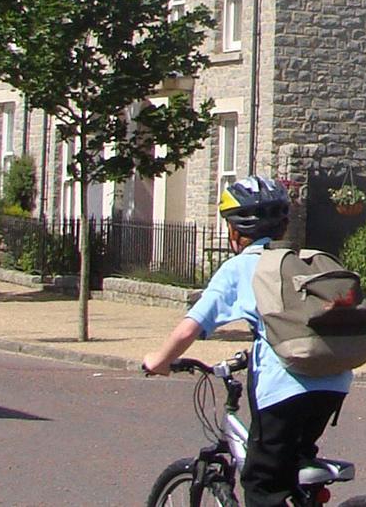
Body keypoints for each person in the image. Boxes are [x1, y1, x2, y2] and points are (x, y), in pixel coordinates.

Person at [144, 176, 353, 506]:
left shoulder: (241, 267)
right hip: (334, 381)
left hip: (284, 387)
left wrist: (160, 360)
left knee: (261, 483)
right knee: (292, 464)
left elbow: (190, 328)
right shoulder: (302, 260)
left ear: (234, 229)